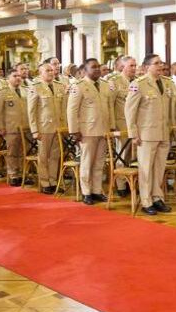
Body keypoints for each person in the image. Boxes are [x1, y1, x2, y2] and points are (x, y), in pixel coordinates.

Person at [125, 54, 173, 215]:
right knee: (146, 169)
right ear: (146, 67)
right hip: (146, 134)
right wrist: (133, 134)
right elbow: (130, 110)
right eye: (156, 63)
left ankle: (157, 197)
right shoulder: (138, 84)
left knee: (159, 168)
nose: (160, 66)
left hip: (163, 132)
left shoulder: (166, 83)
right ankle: (146, 201)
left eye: (161, 63)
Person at [67, 58, 112, 205]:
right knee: (87, 163)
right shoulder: (79, 86)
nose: (97, 69)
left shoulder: (105, 85)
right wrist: (74, 130)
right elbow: (72, 110)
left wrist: (111, 127)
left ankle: (96, 190)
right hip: (87, 131)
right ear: (85, 70)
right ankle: (86, 192)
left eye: (98, 66)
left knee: (99, 163)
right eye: (93, 67)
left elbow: (109, 107)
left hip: (103, 129)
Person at [28, 61, 66, 193]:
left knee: (55, 156)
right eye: (47, 71)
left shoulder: (59, 86)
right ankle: (45, 183)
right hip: (43, 127)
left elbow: (63, 109)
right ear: (40, 73)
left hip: (57, 127)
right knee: (43, 156)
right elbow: (31, 111)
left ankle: (53, 181)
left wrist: (64, 126)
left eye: (51, 70)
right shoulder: (36, 87)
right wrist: (34, 130)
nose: (51, 72)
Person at [0, 71, 29, 185]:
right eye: (15, 76)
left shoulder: (25, 90)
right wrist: (0, 127)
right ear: (8, 78)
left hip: (24, 127)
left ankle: (23, 174)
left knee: (23, 151)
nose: (18, 78)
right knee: (12, 152)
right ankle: (13, 175)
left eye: (19, 76)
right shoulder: (3, 91)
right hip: (10, 127)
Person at [108, 56, 137, 197]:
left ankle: (132, 182)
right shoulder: (115, 81)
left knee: (133, 154)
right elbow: (110, 104)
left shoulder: (137, 81)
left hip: (135, 124)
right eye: (131, 65)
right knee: (122, 153)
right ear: (122, 67)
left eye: (135, 65)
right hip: (121, 123)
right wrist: (112, 124)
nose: (134, 68)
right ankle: (121, 184)